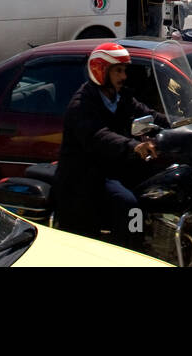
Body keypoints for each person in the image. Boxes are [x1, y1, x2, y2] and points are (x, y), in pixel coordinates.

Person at [54, 43, 160, 249]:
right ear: (101, 71)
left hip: (113, 168)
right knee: (129, 204)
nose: (124, 76)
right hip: (84, 178)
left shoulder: (121, 97)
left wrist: (184, 124)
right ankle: (127, 254)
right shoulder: (82, 104)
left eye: (124, 70)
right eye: (118, 71)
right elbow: (98, 136)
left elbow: (149, 116)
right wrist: (133, 146)